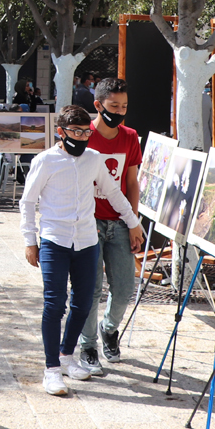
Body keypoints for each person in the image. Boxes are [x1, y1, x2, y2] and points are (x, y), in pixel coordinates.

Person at [22, 105, 145, 395]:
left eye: (84, 132)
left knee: (83, 302)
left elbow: (114, 192)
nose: (80, 136)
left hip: (87, 240)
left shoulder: (93, 159)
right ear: (60, 132)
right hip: (55, 239)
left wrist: (133, 222)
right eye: (73, 131)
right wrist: (30, 241)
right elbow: (27, 202)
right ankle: (51, 369)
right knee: (54, 303)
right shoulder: (45, 161)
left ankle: (66, 356)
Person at [76, 78, 142, 372]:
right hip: (87, 223)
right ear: (98, 105)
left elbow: (131, 182)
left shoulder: (130, 137)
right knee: (89, 288)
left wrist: (133, 222)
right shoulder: (82, 135)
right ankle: (88, 345)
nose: (119, 111)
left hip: (119, 222)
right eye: (113, 106)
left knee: (125, 286)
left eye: (124, 106)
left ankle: (109, 328)